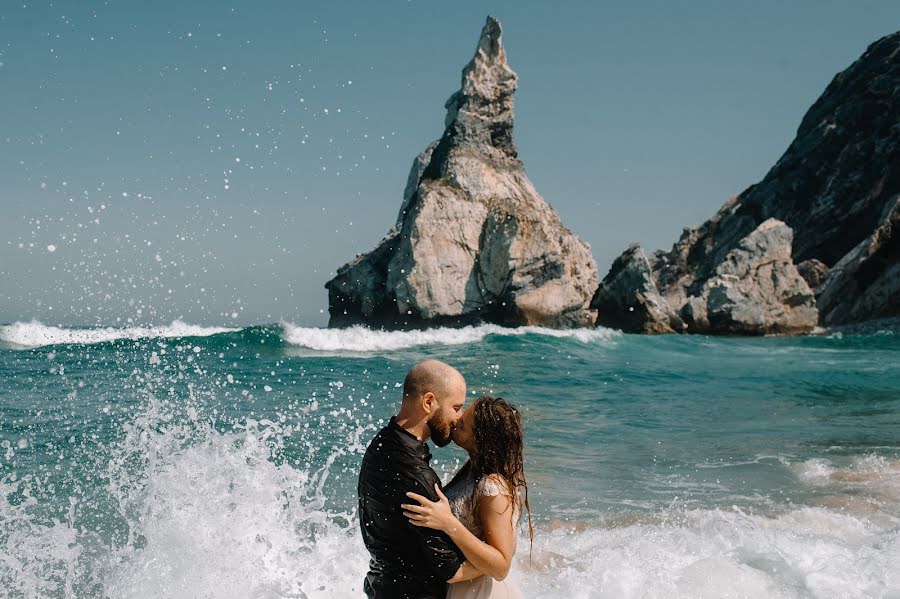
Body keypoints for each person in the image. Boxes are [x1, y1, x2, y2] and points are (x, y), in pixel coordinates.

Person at [357, 359, 483, 599]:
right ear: (428, 402)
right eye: (456, 408)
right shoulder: (416, 476)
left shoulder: (381, 443)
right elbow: (452, 570)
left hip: (381, 586)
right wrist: (495, 564)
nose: (458, 418)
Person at [402, 396, 532, 599]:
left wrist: (449, 524)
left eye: (463, 424)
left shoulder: (493, 488)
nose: (456, 420)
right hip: (464, 588)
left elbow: (501, 567)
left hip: (482, 593)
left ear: (482, 439)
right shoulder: (472, 469)